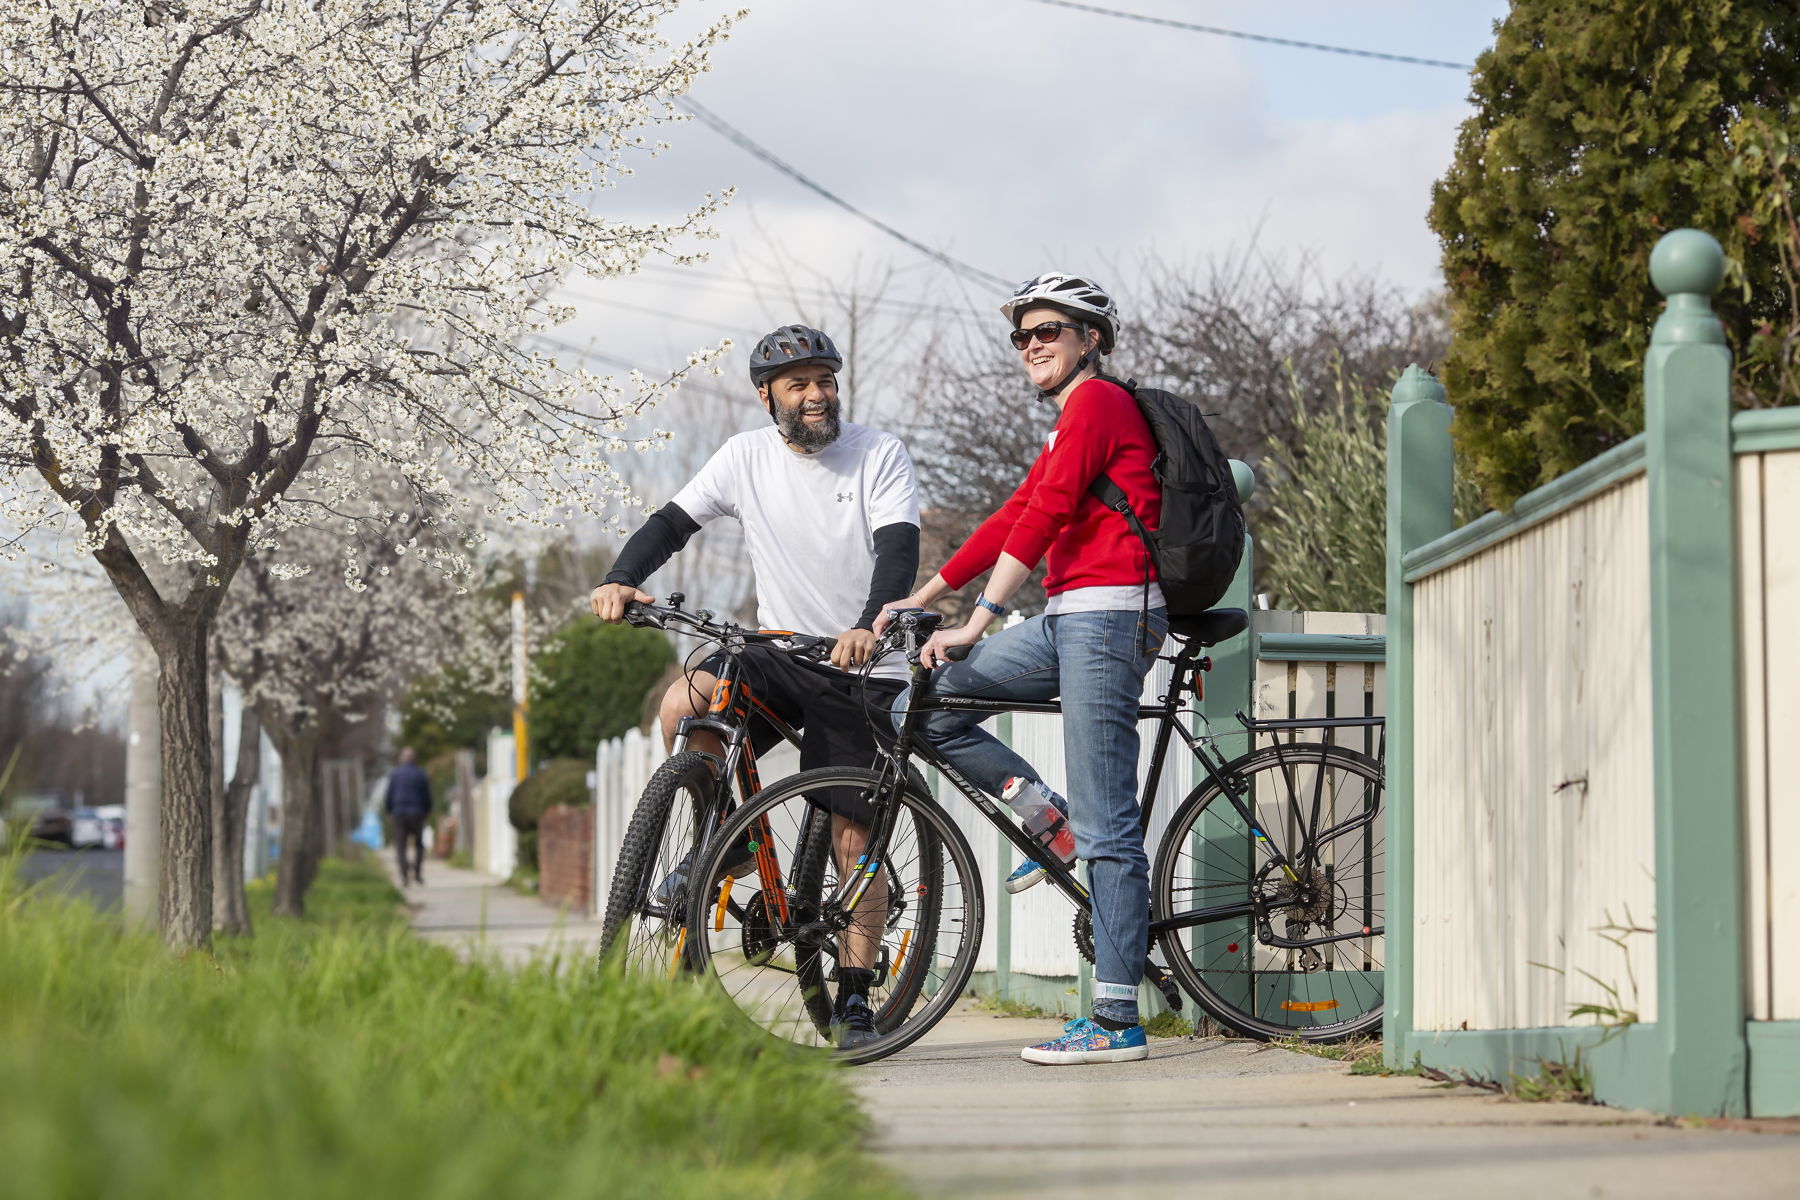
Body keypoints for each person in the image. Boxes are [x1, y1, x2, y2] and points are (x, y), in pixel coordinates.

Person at [590, 323, 920, 1050]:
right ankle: (732, 840)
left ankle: (857, 1003)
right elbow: (671, 523)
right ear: (766, 394)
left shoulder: (878, 455)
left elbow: (898, 551)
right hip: (780, 651)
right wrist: (621, 578)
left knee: (851, 832)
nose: (815, 395)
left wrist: (871, 624)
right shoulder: (744, 456)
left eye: (824, 381)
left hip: (858, 665)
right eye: (798, 384)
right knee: (686, 702)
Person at [875, 273, 1168, 1065]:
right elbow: (1014, 514)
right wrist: (924, 594)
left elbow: (1048, 511)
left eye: (1050, 331)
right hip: (1066, 617)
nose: (1032, 344)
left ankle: (1115, 1022)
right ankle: (1051, 821)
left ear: (1091, 340)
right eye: (1023, 334)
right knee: (922, 707)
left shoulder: (1101, 404)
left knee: (1112, 828)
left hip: (1110, 615)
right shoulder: (1068, 423)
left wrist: (979, 618)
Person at [384, 747, 433, 886]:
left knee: (401, 845)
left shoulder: (395, 774)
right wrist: (427, 811)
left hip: (399, 813)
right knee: (419, 844)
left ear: (402, 759)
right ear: (414, 759)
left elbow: (389, 795)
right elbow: (427, 796)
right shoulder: (420, 774)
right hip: (417, 812)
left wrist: (389, 811)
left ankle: (404, 874)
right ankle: (417, 873)